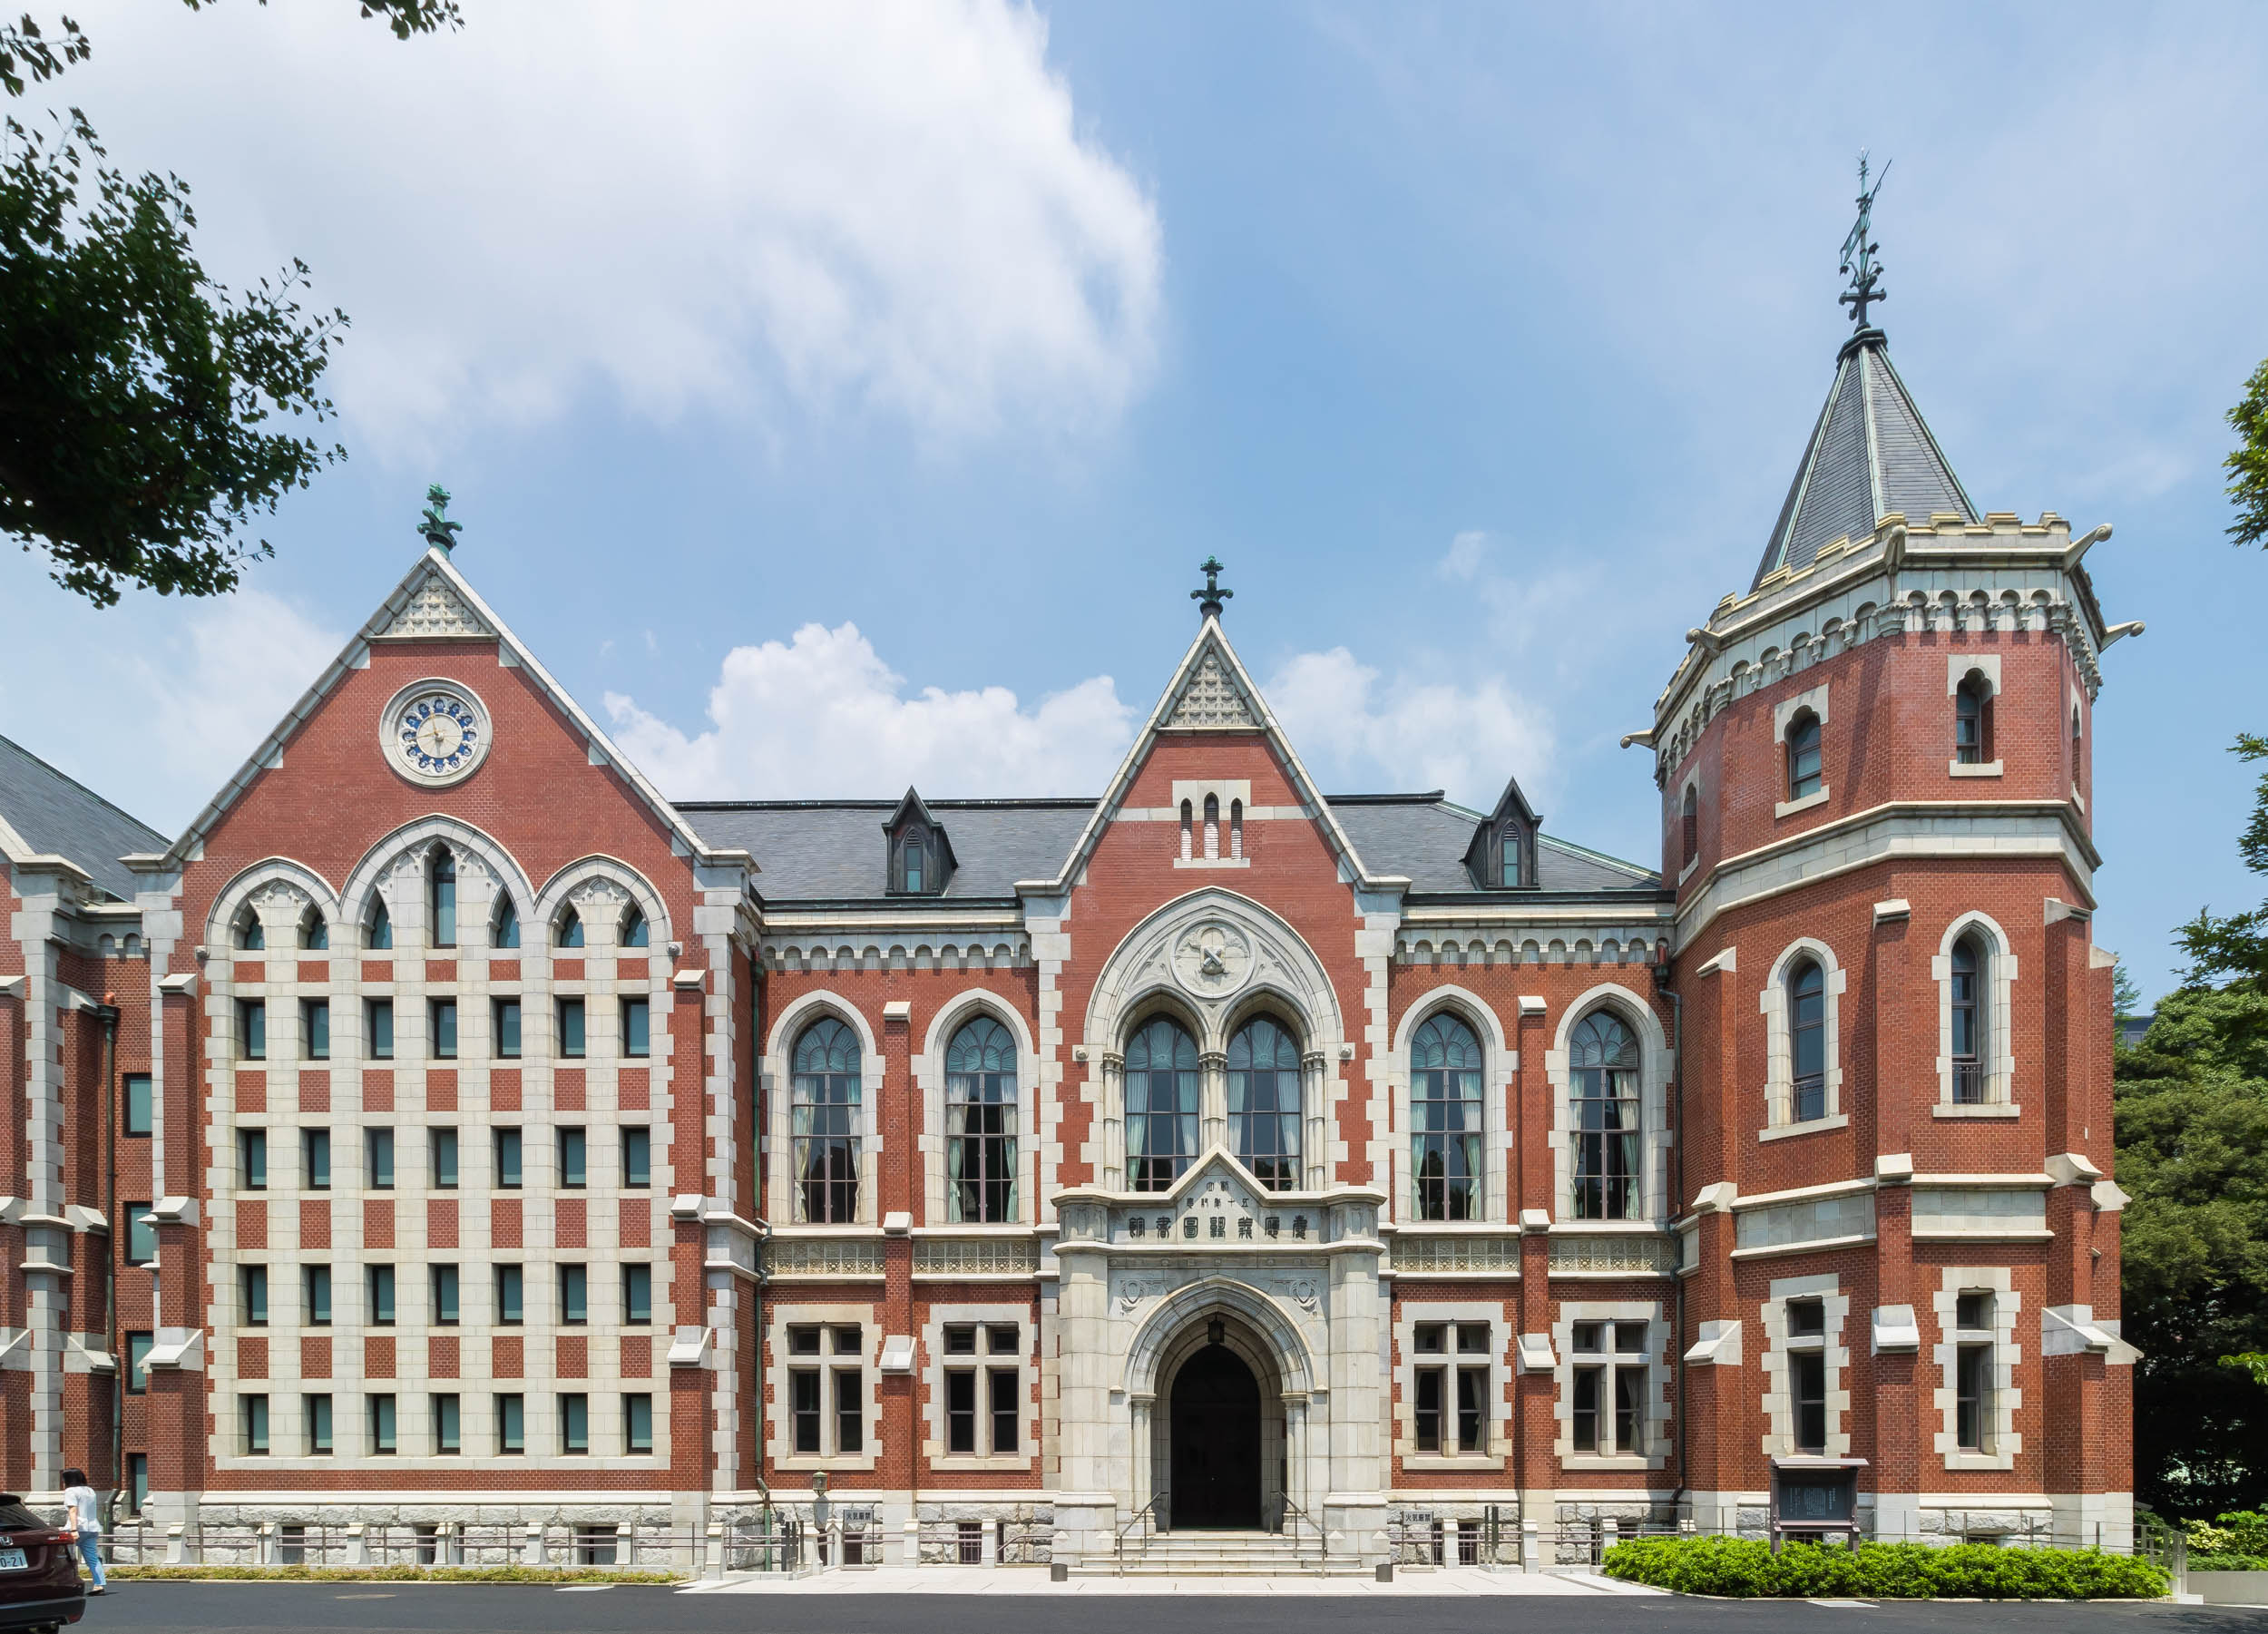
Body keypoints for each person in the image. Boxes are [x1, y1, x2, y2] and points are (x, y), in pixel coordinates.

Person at [58, 1470, 103, 1595]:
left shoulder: (70, 1491)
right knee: (92, 1558)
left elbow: (73, 1511)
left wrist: (73, 1529)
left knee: (64, 1557)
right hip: (92, 1527)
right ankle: (99, 1584)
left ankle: (67, 1584)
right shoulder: (90, 1491)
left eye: (64, 1479)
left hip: (77, 1528)